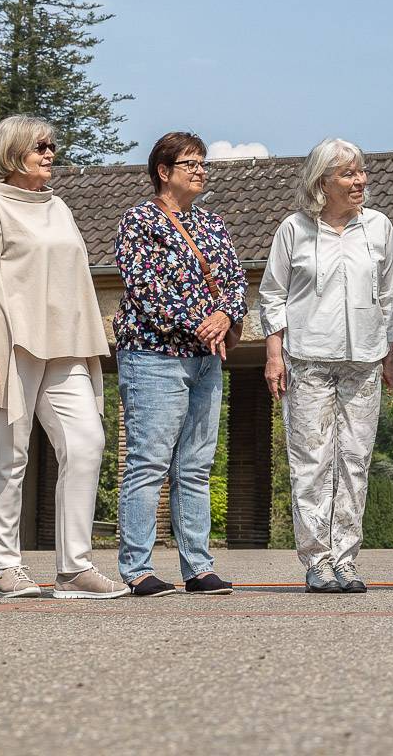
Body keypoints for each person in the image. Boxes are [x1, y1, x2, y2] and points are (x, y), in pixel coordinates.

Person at [0, 116, 127, 600]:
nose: (50, 153)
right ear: (13, 154)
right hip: (8, 343)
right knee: (9, 453)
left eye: (52, 146)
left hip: (64, 342)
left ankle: (74, 568)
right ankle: (5, 568)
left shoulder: (60, 208)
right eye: (40, 147)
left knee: (87, 441)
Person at [260, 138, 393, 594]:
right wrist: (272, 353)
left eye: (361, 172)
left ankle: (346, 559)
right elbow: (272, 294)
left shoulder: (379, 228)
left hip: (363, 359)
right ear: (323, 181)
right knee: (311, 461)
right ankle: (318, 560)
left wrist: (390, 354)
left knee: (355, 461)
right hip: (307, 360)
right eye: (348, 173)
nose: (360, 180)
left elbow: (390, 298)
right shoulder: (294, 229)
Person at [113, 131, 248, 597]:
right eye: (190, 163)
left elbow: (234, 279)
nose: (200, 170)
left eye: (202, 162)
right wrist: (201, 322)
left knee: (194, 466)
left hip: (205, 361)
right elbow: (146, 288)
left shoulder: (213, 224)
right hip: (153, 357)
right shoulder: (139, 221)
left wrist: (225, 314)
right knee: (148, 463)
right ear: (163, 171)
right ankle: (137, 568)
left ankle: (198, 566)